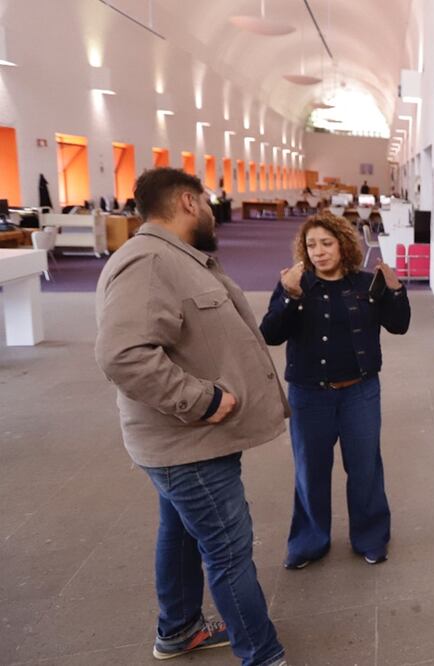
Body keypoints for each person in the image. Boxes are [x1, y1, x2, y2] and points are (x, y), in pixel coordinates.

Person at [95, 168, 289, 666]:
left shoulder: (176, 259)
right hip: (187, 444)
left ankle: (178, 629)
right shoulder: (151, 263)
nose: (211, 212)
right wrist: (200, 400)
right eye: (205, 201)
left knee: (181, 531)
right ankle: (262, 655)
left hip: (190, 444)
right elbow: (124, 355)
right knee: (228, 552)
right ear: (187, 201)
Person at [260, 211, 410, 570]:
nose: (318, 252)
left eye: (326, 243)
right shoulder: (296, 283)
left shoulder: (364, 284)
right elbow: (270, 333)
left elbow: (399, 325)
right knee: (310, 470)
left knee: (365, 468)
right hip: (309, 394)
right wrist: (290, 296)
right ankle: (309, 541)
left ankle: (370, 537)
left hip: (360, 391)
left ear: (343, 245)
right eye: (311, 245)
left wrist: (395, 291)